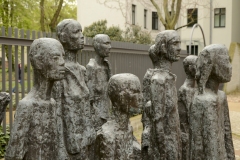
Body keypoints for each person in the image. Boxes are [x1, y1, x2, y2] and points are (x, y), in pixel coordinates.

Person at [5, 38, 66, 160]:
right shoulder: (27, 106)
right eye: (55, 58)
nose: (62, 62)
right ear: (38, 62)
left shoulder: (52, 103)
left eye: (62, 57)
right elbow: (13, 155)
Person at [52, 19, 96, 160]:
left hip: (86, 141)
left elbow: (87, 105)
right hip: (70, 146)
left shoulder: (82, 70)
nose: (82, 36)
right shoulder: (59, 72)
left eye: (81, 31)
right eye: (76, 32)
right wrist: (60, 150)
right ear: (63, 37)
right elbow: (56, 113)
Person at [189, 44, 235, 160]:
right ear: (212, 66)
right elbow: (209, 150)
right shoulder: (206, 101)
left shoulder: (221, 96)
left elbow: (227, 136)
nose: (230, 66)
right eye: (226, 61)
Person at [141, 30, 182, 160]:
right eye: (175, 43)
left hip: (174, 144)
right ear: (164, 48)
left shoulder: (169, 78)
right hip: (166, 149)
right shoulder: (158, 80)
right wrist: (164, 154)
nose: (179, 48)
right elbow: (158, 124)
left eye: (179, 43)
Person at [95, 73, 142, 160]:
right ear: (120, 98)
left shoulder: (128, 128)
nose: (140, 97)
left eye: (140, 92)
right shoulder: (108, 136)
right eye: (135, 92)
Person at [86, 34, 112, 131]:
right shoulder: (91, 67)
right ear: (97, 46)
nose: (110, 47)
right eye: (106, 43)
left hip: (107, 115)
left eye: (110, 43)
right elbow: (89, 100)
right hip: (97, 120)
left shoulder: (107, 65)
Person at [177, 55, 197, 160]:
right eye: (197, 65)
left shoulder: (196, 89)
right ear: (190, 68)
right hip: (187, 135)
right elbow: (190, 115)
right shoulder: (185, 90)